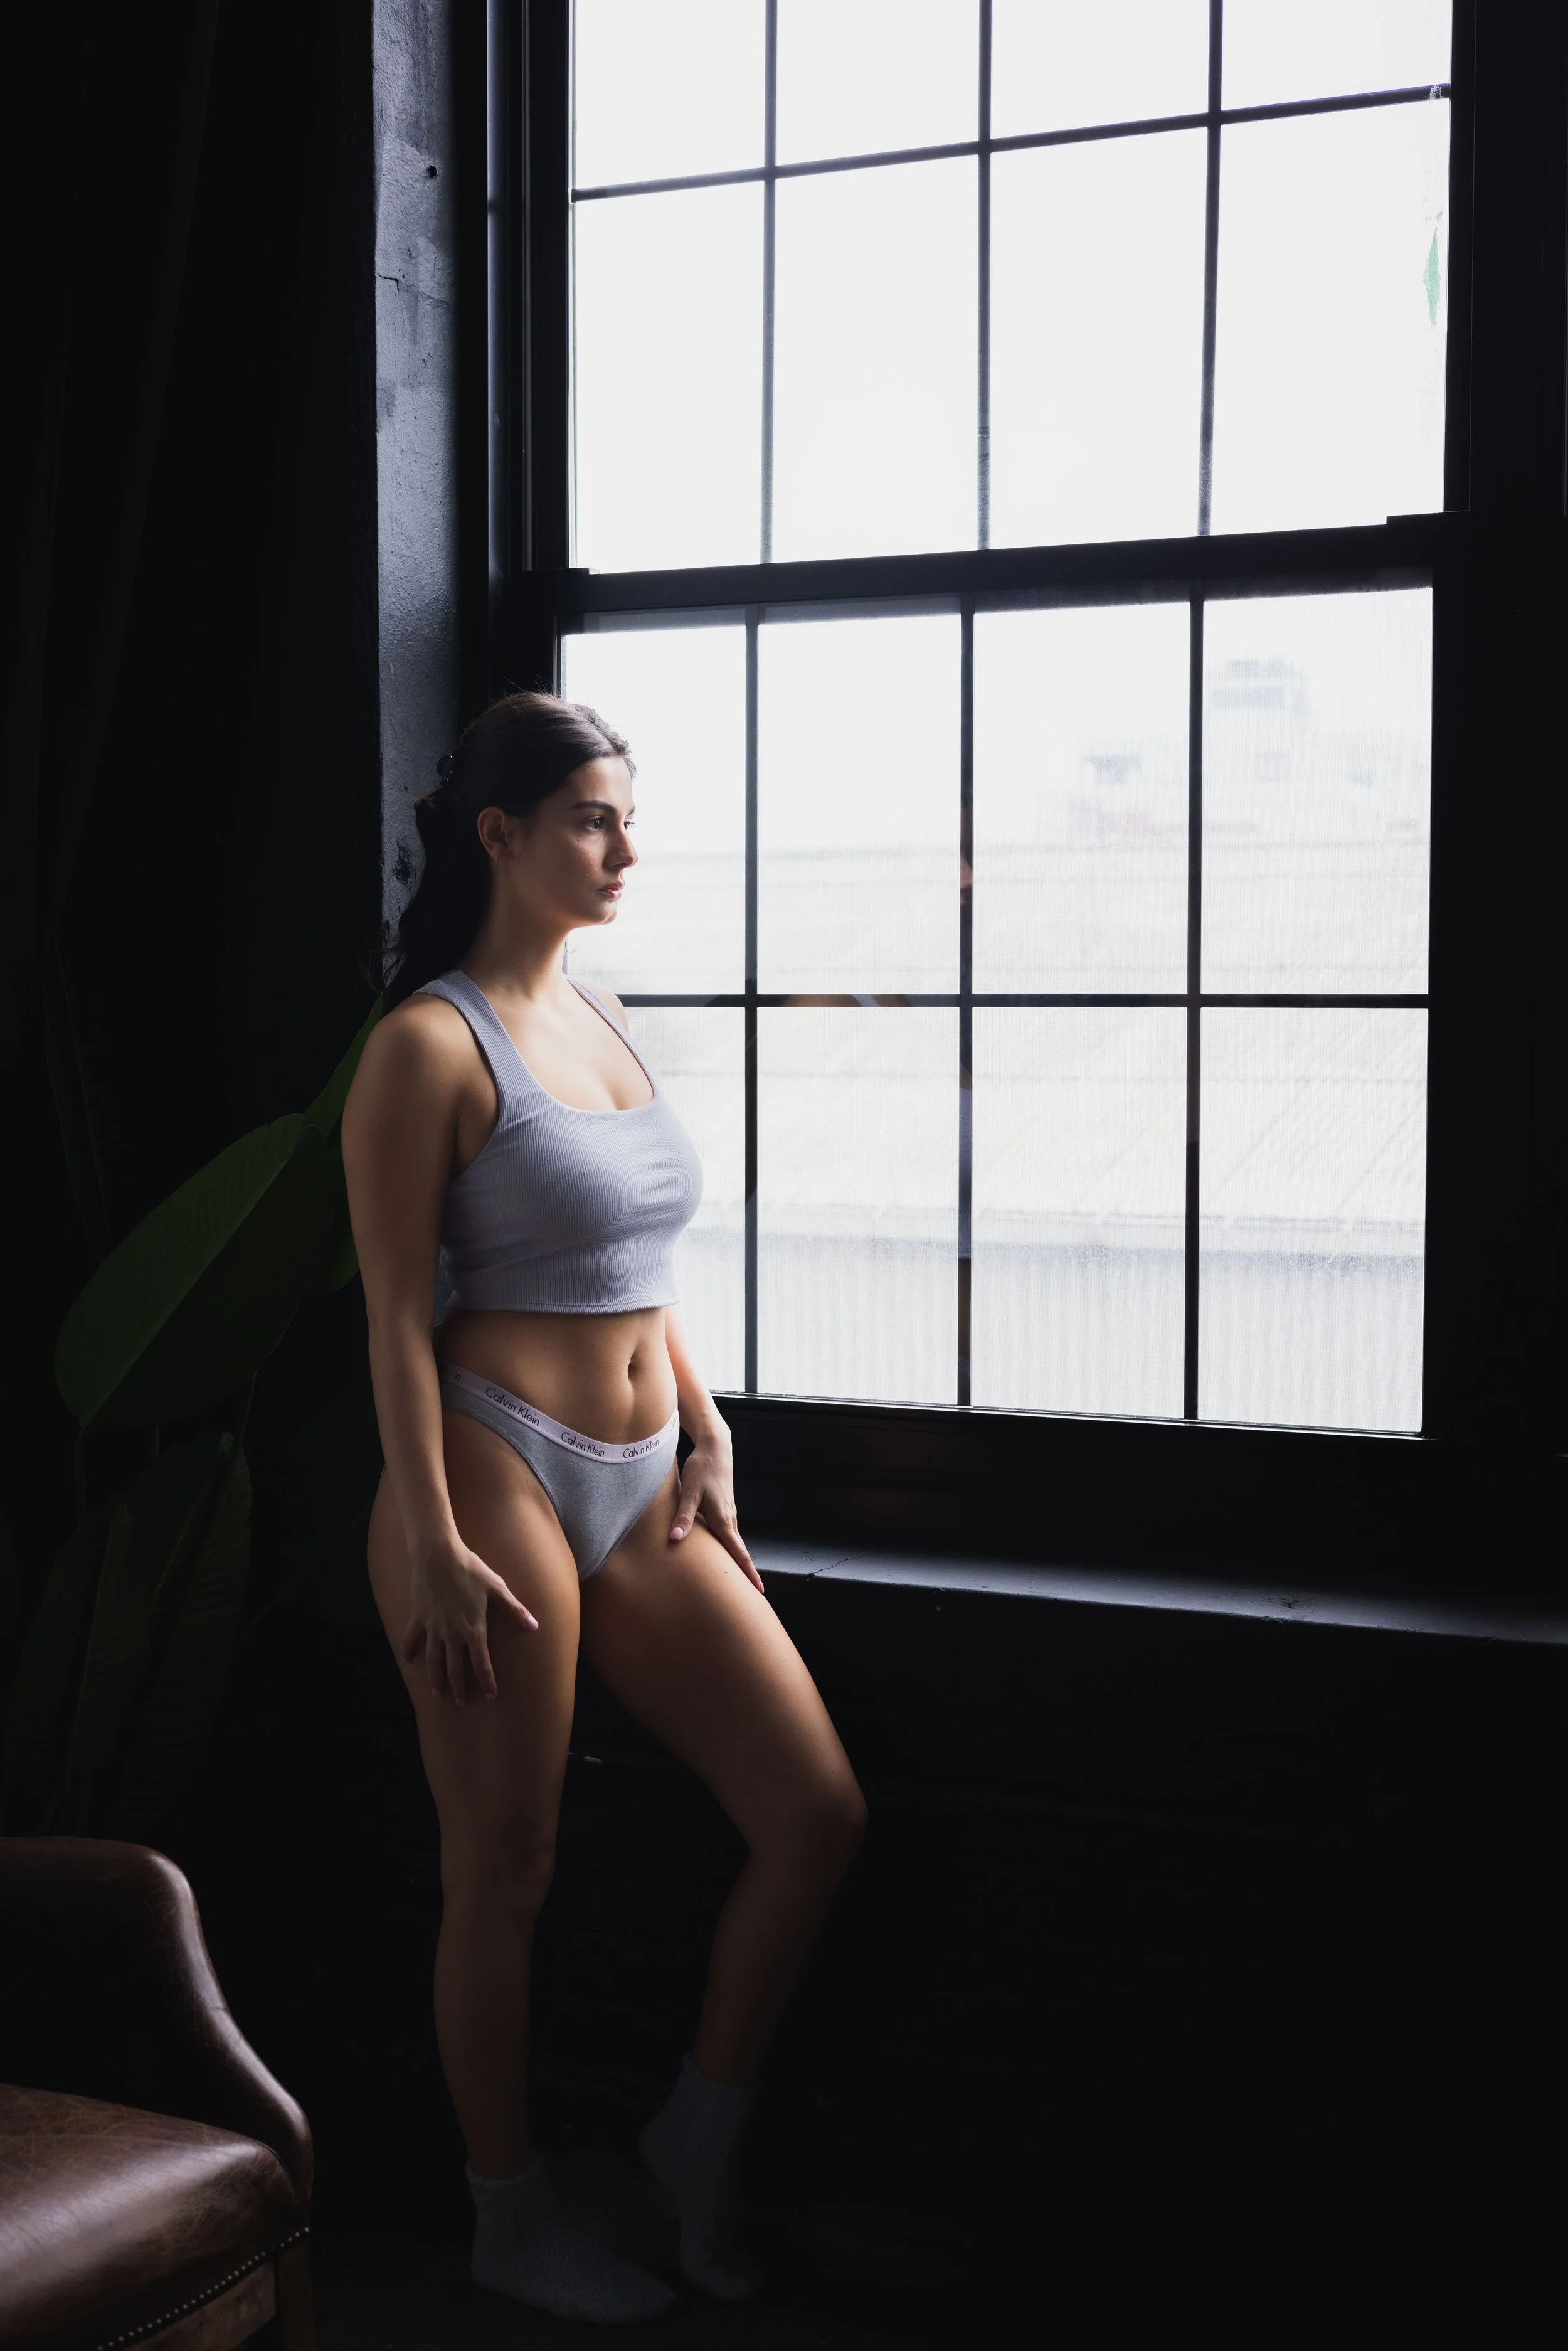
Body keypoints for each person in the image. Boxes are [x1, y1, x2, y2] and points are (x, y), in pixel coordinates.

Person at [342, 691, 867, 2325]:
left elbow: (634, 1262)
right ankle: (507, 2213)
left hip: (648, 1477)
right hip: (488, 1465)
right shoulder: (427, 1044)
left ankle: (689, 2143)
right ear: (497, 836)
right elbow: (391, 1315)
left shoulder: (606, 1009)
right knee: (504, 1861)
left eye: (628, 816)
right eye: (591, 818)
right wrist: (425, 1532)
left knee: (813, 1810)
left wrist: (703, 1425)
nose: (624, 847)